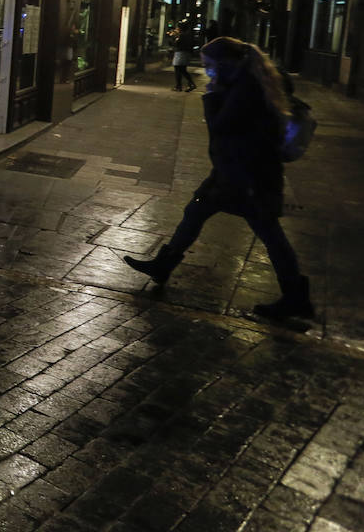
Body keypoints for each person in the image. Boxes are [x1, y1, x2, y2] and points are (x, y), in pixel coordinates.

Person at [124, 37, 313, 321]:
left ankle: (296, 296)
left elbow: (220, 126)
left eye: (211, 67)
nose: (209, 73)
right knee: (196, 211)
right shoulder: (249, 81)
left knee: (270, 234)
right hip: (235, 170)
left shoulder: (246, 88)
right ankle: (164, 264)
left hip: (248, 175)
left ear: (227, 64)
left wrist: (211, 94)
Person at [171, 21, 197, 91]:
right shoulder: (187, 35)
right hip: (185, 53)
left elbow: (177, 44)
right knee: (181, 69)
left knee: (180, 69)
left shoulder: (182, 35)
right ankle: (180, 85)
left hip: (181, 53)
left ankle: (189, 84)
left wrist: (175, 37)